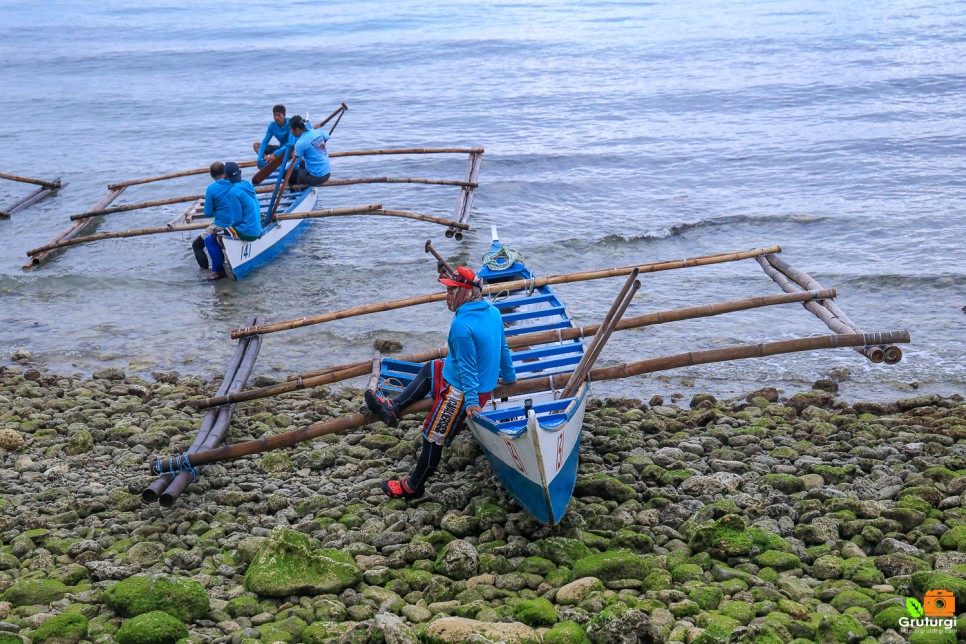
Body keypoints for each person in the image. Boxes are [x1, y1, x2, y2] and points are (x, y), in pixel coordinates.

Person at [365, 266, 517, 499]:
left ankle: (413, 487)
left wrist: (473, 403)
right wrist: (510, 377)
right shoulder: (493, 312)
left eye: (451, 291)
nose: (446, 296)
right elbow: (503, 348)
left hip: (463, 391)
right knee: (430, 368)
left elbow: (467, 369)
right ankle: (392, 408)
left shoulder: (461, 326)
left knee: (432, 437)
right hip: (460, 378)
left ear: (465, 293)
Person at [202, 162, 262, 280]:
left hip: (246, 231)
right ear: (240, 173)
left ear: (227, 177)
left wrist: (228, 229)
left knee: (210, 239)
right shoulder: (247, 185)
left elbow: (237, 219)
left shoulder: (233, 192)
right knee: (220, 235)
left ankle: (218, 272)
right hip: (256, 228)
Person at [192, 162, 234, 271]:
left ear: (211, 175)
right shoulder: (233, 183)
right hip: (236, 223)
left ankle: (205, 270)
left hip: (221, 224)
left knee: (196, 245)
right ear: (225, 172)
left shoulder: (211, 189)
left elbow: (208, 213)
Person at [268, 115, 331, 187]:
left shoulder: (300, 143)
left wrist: (284, 168)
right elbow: (327, 136)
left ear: (297, 129)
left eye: (291, 130)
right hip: (327, 173)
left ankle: (298, 187)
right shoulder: (316, 132)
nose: (291, 132)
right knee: (302, 163)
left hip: (317, 178)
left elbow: (293, 165)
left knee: (284, 173)